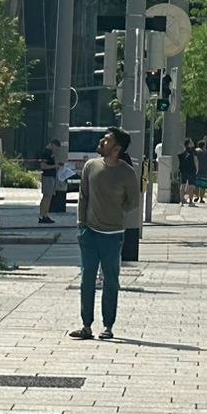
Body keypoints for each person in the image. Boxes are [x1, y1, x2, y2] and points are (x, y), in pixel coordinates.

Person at [70, 128, 141, 340]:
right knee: (86, 279)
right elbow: (83, 196)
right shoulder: (91, 167)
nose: (102, 141)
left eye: (107, 140)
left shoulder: (126, 172)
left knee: (111, 280)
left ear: (117, 148)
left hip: (113, 234)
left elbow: (133, 202)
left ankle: (108, 325)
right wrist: (81, 224)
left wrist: (114, 211)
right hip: (89, 232)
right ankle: (86, 325)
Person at [37, 148, 61, 224]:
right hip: (47, 177)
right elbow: (43, 166)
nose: (55, 150)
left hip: (51, 177)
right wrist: (55, 166)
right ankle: (44, 215)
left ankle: (44, 215)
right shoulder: (46, 153)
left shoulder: (50, 153)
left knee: (48, 197)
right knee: (47, 197)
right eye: (56, 147)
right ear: (53, 145)